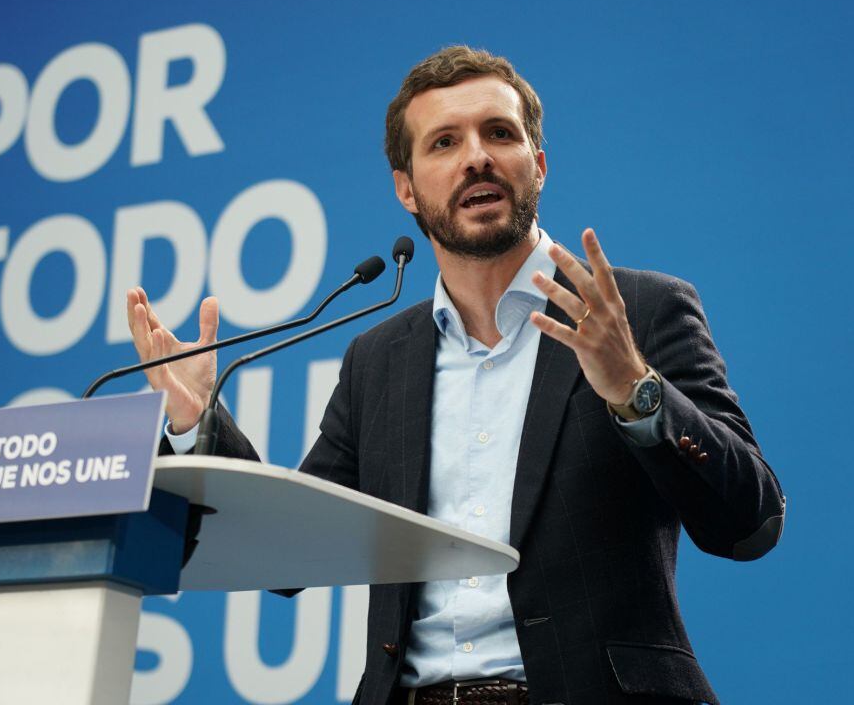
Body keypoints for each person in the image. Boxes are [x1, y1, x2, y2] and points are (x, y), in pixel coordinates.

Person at [127, 46, 785, 705]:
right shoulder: (378, 359)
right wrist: (196, 424)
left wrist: (636, 391)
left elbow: (748, 523)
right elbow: (288, 552)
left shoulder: (637, 312)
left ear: (539, 165)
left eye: (500, 134)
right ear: (406, 188)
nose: (477, 156)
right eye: (445, 141)